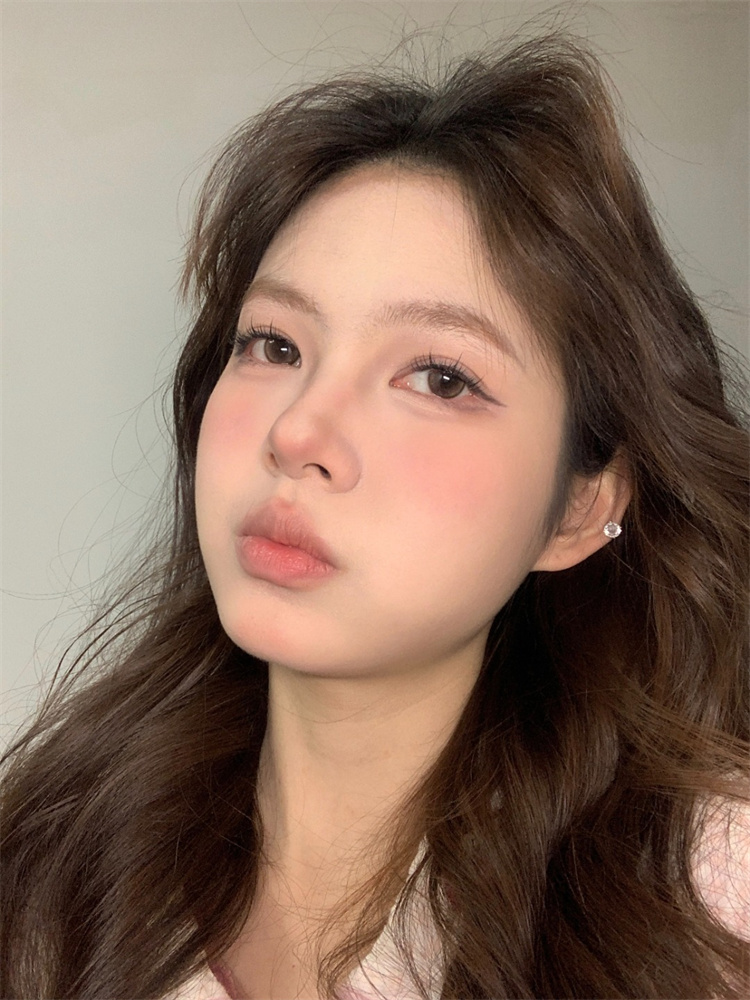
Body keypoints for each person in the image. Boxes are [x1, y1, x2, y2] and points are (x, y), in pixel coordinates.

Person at [2, 28, 749, 1000]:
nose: (299, 430)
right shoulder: (47, 871)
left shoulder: (702, 901)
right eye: (273, 345)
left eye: (439, 377)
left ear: (580, 506)